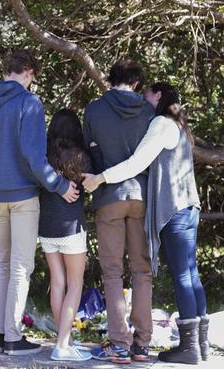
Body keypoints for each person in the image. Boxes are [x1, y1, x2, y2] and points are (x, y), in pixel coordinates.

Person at [83, 83, 208, 365]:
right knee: (191, 273)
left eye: (148, 94)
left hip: (174, 208)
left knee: (182, 276)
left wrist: (100, 178)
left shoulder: (161, 124)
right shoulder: (180, 125)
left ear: (159, 96)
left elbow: (136, 163)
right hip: (190, 206)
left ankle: (189, 348)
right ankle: (201, 344)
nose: (143, 99)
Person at [0, 49, 79, 356]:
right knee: (19, 267)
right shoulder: (28, 103)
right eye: (33, 77)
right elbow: (33, 156)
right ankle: (14, 337)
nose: (32, 83)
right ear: (28, 71)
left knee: (2, 264)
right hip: (22, 195)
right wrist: (58, 185)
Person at [83, 59, 156, 364]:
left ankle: (119, 343)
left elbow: (90, 153)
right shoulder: (150, 113)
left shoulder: (94, 110)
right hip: (141, 196)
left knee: (113, 271)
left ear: (109, 80)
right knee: (142, 270)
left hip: (109, 195)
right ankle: (142, 343)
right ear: (137, 83)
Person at [38, 109, 93, 362]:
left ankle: (65, 341)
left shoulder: (43, 156)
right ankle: (62, 345)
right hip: (71, 228)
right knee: (75, 285)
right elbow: (90, 186)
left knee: (57, 282)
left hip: (47, 226)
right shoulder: (82, 157)